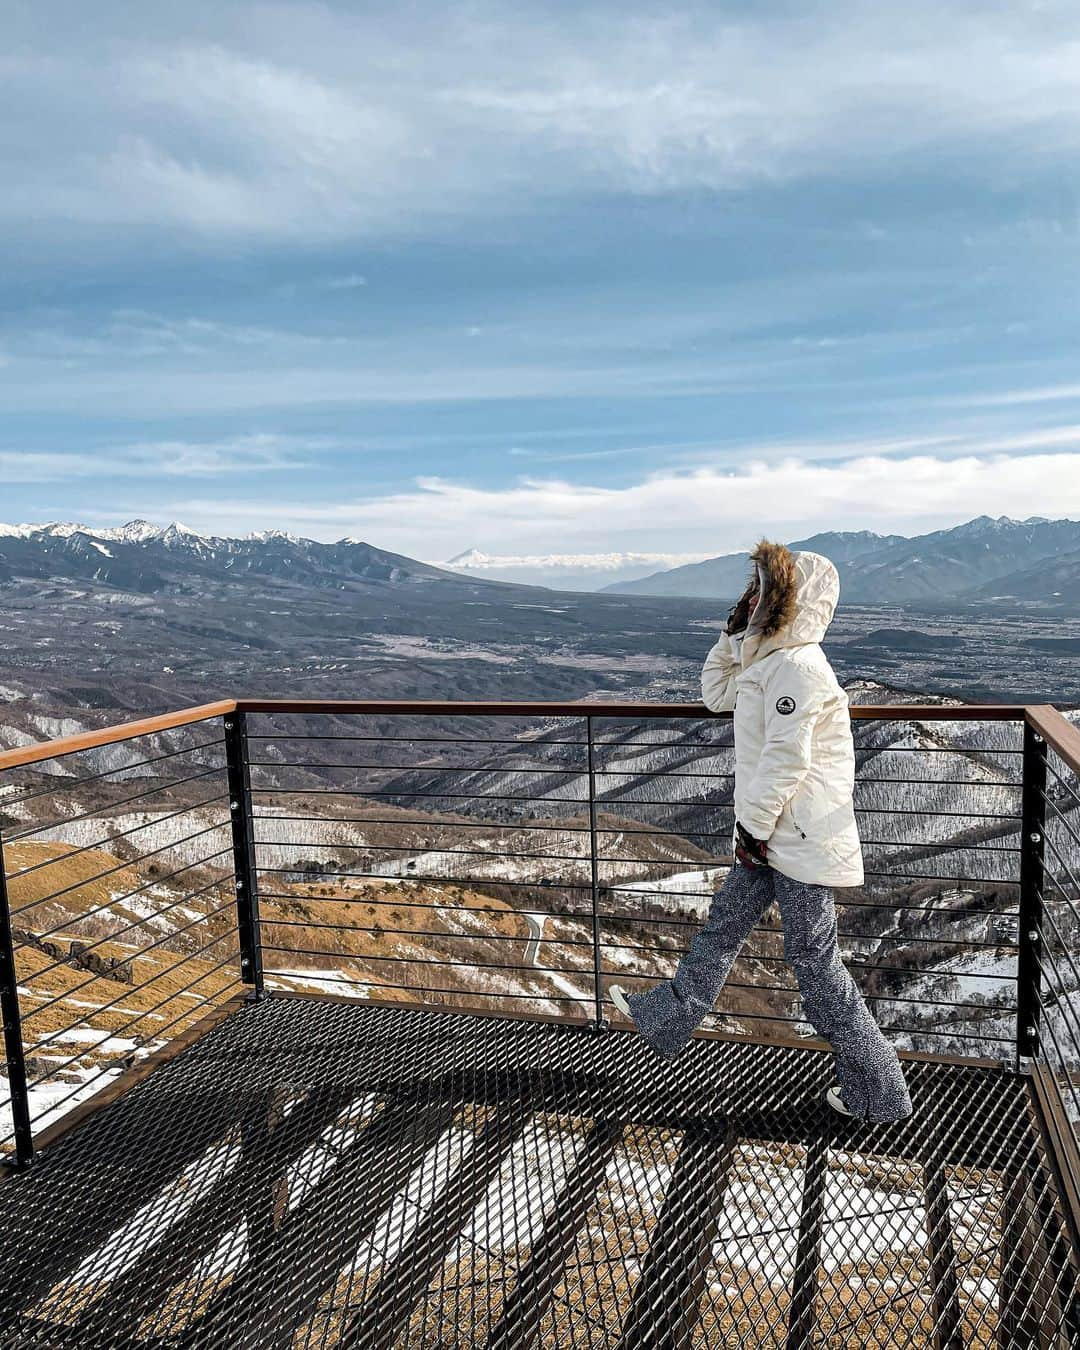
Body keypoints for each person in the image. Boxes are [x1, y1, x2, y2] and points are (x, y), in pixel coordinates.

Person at [609, 540, 912, 1122]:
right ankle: (666, 1018)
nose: (756, 599)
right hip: (772, 836)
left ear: (792, 601)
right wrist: (731, 634)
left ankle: (882, 1094)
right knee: (723, 928)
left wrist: (751, 830)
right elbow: (715, 694)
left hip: (792, 840)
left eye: (767, 592)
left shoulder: (798, 667)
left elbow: (786, 760)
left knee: (817, 965)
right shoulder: (769, 662)